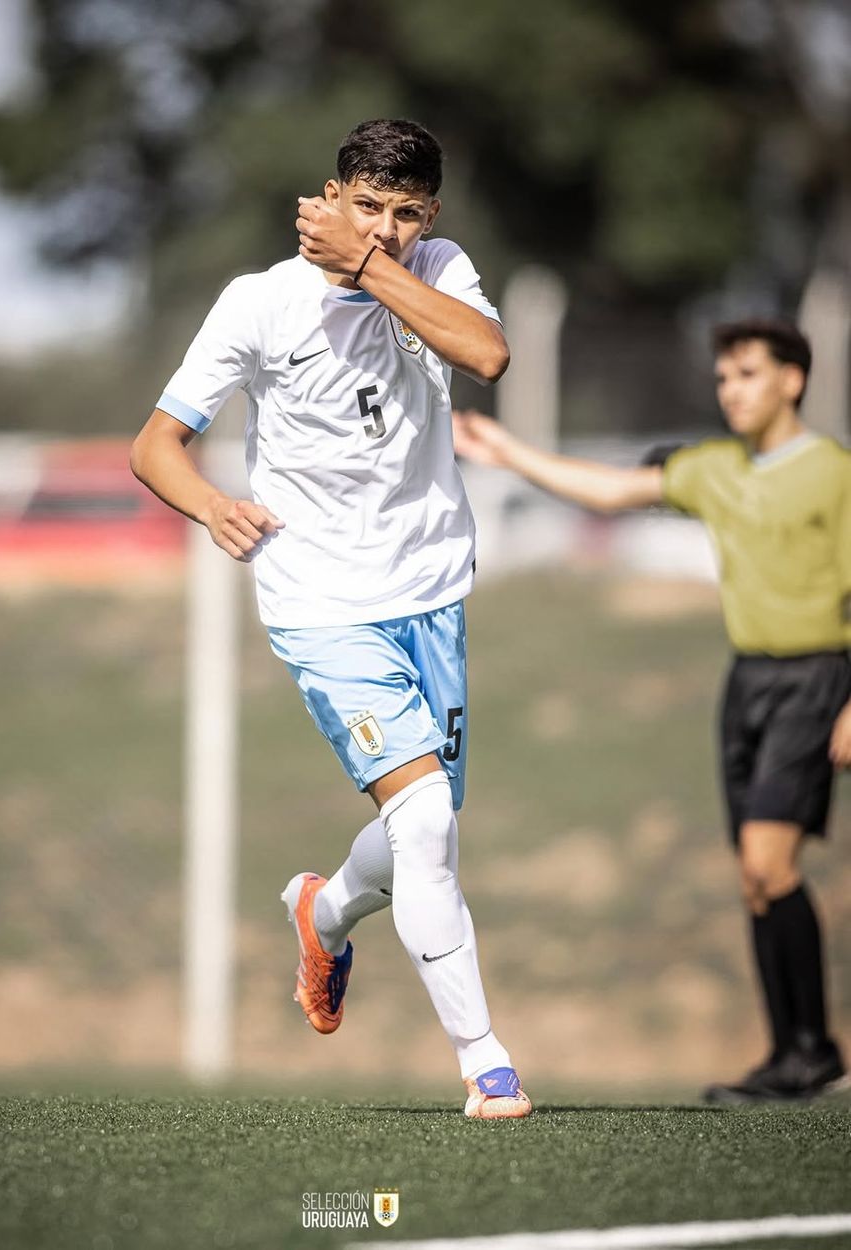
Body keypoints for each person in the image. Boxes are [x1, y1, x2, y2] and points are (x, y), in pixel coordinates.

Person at [131, 118, 531, 1119]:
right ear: (331, 194)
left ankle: (322, 908)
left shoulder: (436, 268)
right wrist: (214, 506)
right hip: (318, 601)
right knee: (427, 821)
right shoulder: (259, 302)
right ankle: (486, 1062)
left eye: (406, 213)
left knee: (422, 832)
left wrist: (376, 268)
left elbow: (486, 352)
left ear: (429, 217)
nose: (386, 228)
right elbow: (156, 445)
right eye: (367, 207)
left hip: (431, 587)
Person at [453, 317, 851, 1103]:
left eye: (747, 374)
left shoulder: (833, 473)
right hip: (748, 684)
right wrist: (509, 454)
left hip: (818, 680)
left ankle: (813, 1050)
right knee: (755, 879)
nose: (730, 389)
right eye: (724, 377)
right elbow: (610, 489)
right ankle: (792, 1055)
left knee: (772, 864)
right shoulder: (713, 469)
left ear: (792, 380)